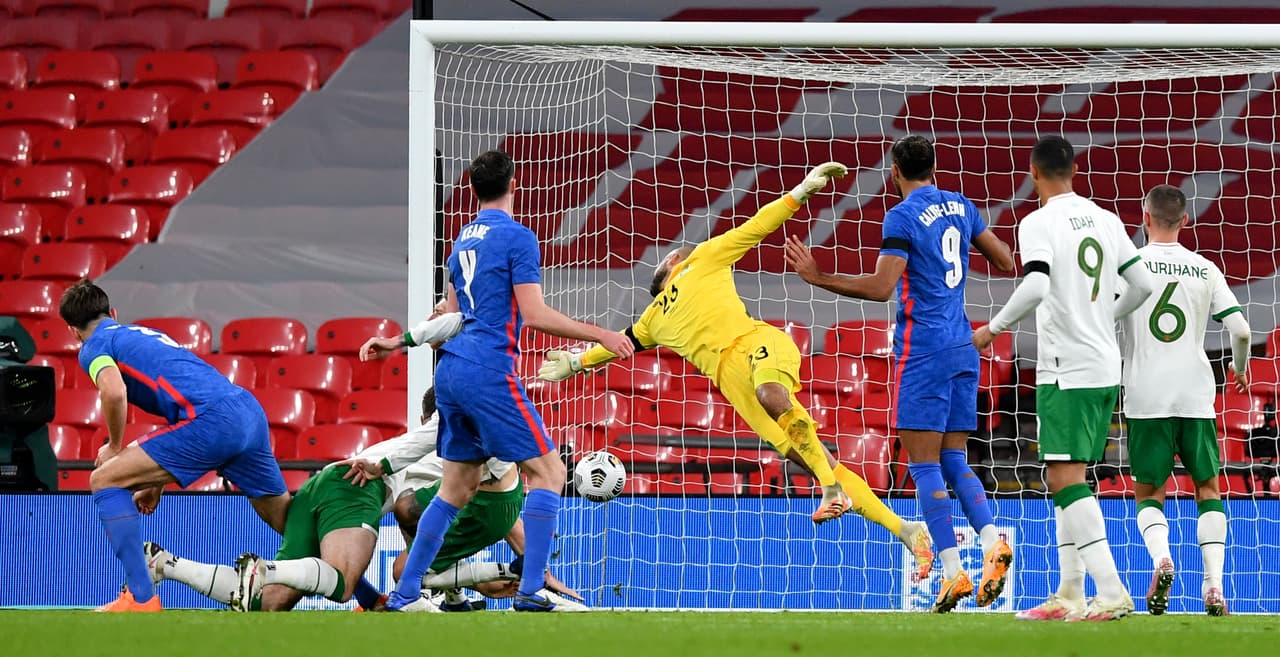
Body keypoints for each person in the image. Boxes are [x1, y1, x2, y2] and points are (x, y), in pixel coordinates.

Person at [536, 162, 934, 579]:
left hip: (756, 345)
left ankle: (832, 490)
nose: (681, 250)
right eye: (677, 251)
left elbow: (755, 226)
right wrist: (576, 363)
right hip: (733, 385)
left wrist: (800, 192)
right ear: (671, 261)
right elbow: (622, 343)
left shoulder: (704, 259)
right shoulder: (652, 318)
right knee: (816, 458)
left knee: (774, 398)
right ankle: (908, 531)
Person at [361, 149, 635, 612]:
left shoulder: (461, 243)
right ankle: (530, 591)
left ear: (471, 187)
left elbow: (449, 316)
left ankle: (405, 594)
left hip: (449, 370)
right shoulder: (518, 237)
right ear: (515, 184)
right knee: (550, 472)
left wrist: (403, 339)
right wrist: (601, 334)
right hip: (488, 369)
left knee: (455, 489)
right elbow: (534, 313)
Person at [783, 135, 1016, 613]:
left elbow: (883, 286)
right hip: (964, 346)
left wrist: (819, 276)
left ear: (894, 171)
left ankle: (954, 573)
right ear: (934, 167)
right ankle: (992, 541)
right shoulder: (961, 205)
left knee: (924, 465)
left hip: (924, 351)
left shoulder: (902, 215)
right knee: (954, 458)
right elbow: (1006, 261)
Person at [145, 387, 583, 612]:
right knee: (343, 582)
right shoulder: (455, 442)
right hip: (356, 486)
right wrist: (530, 573)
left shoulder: (430, 435)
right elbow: (426, 509)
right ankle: (263, 568)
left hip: (328, 479)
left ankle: (166, 565)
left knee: (268, 603)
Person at [973, 136, 1155, 622]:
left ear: (1034, 173)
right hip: (1103, 363)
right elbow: (1142, 286)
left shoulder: (1037, 221)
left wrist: (992, 330)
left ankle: (1111, 591)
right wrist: (1102, 317)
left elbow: (1035, 284)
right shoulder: (1107, 218)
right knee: (1067, 474)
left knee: (1062, 476)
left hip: (1066, 367)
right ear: (1073, 170)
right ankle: (1070, 593)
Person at [59, 279, 292, 613]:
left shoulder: (94, 346)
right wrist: (155, 481)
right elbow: (182, 403)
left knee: (104, 479)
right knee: (284, 518)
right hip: (246, 410)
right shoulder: (139, 334)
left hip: (212, 421)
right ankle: (364, 592)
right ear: (113, 312)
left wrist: (114, 445)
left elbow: (113, 392)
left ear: (73, 331)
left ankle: (141, 598)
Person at [1120, 185, 1249, 617]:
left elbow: (1104, 317)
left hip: (1145, 394)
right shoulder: (1205, 268)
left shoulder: (1130, 265)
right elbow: (1243, 331)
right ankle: (1214, 587)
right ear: (1185, 221)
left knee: (1149, 494)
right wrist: (1241, 368)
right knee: (1208, 488)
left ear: (1145, 217)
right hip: (1196, 395)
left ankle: (1162, 559)